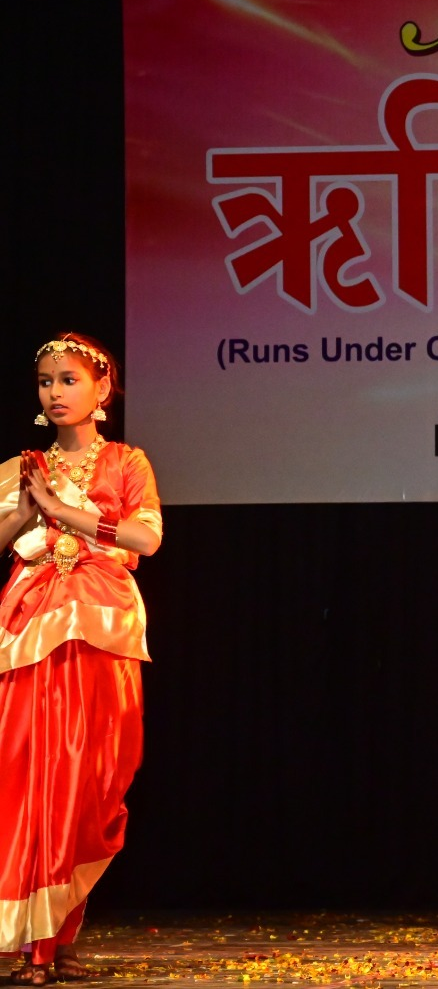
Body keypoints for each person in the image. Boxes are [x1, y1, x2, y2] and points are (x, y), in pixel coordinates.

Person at [0, 335, 163, 986]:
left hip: (102, 627)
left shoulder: (127, 462)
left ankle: (60, 937)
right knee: (28, 782)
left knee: (87, 784)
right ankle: (34, 947)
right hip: (29, 630)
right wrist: (25, 511)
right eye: (46, 381)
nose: (55, 392)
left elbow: (146, 538)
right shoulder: (22, 467)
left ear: (102, 388)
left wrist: (65, 512)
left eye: (68, 379)